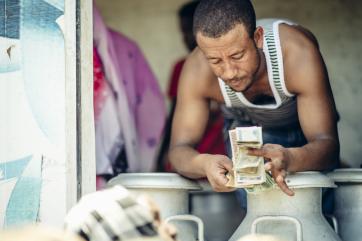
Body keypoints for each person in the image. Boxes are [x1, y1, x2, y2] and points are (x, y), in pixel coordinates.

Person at [169, 0, 339, 196]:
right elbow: (179, 149)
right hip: (246, 128)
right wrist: (203, 163)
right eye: (215, 61)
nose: (229, 72)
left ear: (258, 38)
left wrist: (291, 157)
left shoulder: (296, 54)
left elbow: (328, 145)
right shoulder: (197, 70)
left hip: (303, 135)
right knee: (256, 206)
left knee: (314, 204)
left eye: (237, 56)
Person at [157, 0, 226, 171]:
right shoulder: (182, 67)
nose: (187, 38)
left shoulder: (229, 65)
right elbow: (175, 115)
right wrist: (162, 155)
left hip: (223, 154)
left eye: (191, 31)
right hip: (192, 158)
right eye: (183, 31)